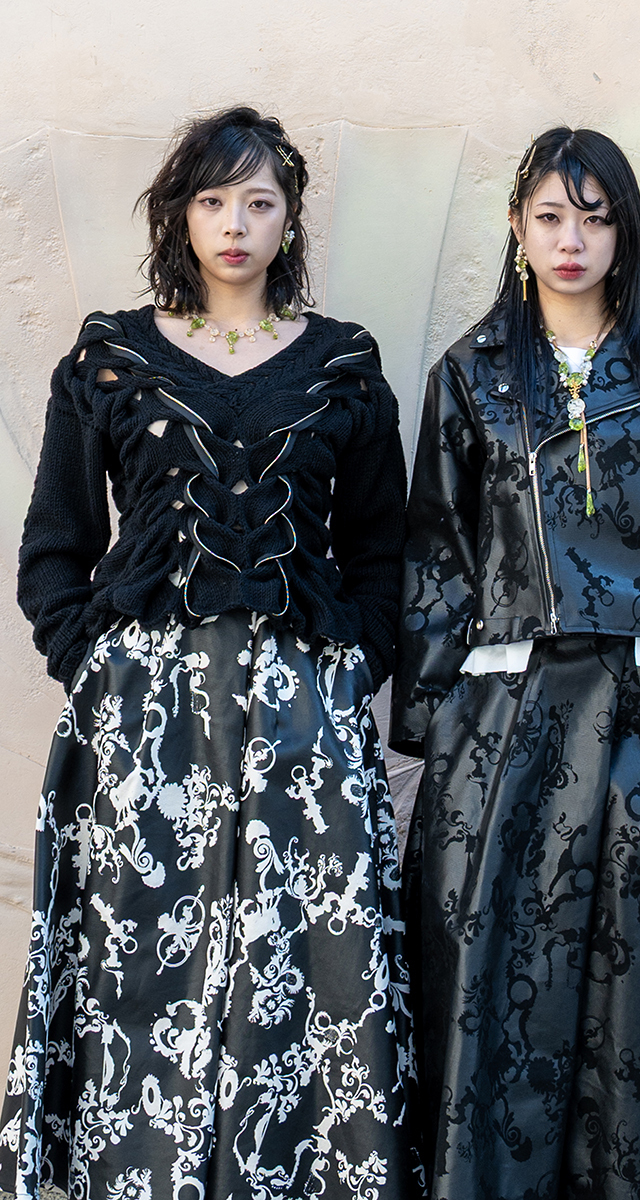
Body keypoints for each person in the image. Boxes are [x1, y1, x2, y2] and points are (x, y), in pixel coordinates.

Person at [0, 106, 421, 1200]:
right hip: (143, 727)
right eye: (212, 199)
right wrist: (99, 670)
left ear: (290, 218)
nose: (235, 224)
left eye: (260, 202)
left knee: (312, 971)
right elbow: (53, 550)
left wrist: (349, 672)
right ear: (179, 215)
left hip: (304, 728)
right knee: (141, 969)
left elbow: (385, 552)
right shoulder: (110, 358)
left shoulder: (344, 365)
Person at [390, 126, 640, 1198]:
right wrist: (436, 723)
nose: (571, 240)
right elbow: (437, 549)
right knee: (508, 980)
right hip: (510, 726)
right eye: (550, 217)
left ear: (626, 230)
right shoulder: (472, 375)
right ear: (518, 227)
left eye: (595, 217)